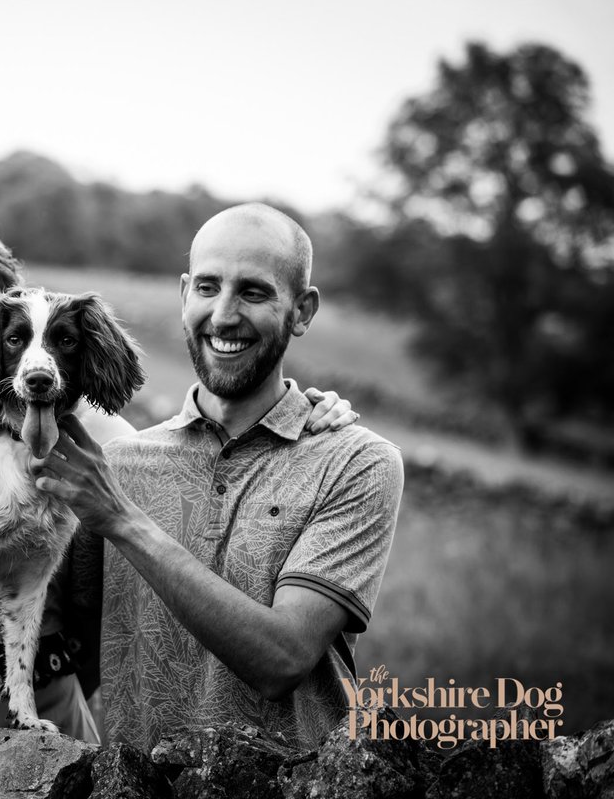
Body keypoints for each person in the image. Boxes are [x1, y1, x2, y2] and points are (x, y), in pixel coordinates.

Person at [0, 225, 359, 744]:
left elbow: (177, 471)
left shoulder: (101, 439)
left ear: (15, 309)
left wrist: (307, 410)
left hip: (42, 704)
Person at [32, 203, 404, 751]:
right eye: (207, 287)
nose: (224, 315)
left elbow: (283, 659)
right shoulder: (120, 464)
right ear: (185, 294)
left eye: (253, 292)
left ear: (302, 311)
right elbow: (76, 641)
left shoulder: (355, 462)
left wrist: (124, 521)